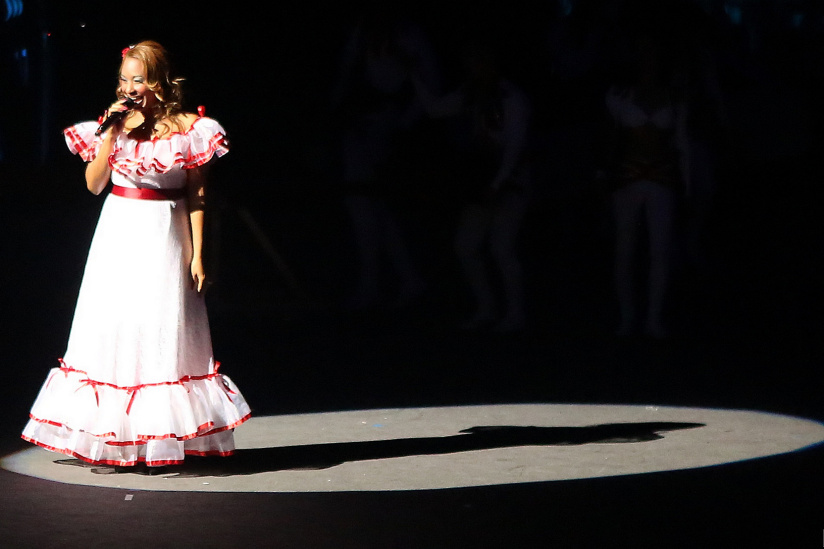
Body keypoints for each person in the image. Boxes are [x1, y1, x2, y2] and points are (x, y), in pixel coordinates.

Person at [21, 41, 251, 470]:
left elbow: (198, 193)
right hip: (118, 231)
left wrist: (199, 254)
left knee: (158, 326)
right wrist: (109, 131)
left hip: (164, 231)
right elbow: (93, 184)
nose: (128, 88)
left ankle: (158, 439)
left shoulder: (189, 128)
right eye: (123, 79)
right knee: (113, 326)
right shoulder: (116, 125)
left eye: (138, 79)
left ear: (160, 81)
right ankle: (113, 439)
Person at [411, 41, 533, 332]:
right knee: (465, 246)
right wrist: (414, 73)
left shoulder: (512, 98)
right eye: (469, 65)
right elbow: (435, 109)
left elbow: (515, 148)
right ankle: (487, 307)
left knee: (501, 247)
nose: (472, 70)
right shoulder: (471, 93)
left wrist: (497, 184)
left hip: (511, 180)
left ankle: (516, 313)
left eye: (477, 64)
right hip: (482, 180)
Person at [604, 32, 690, 339]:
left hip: (661, 179)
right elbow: (611, 138)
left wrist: (688, 183)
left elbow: (681, 142)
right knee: (624, 249)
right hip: (627, 179)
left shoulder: (673, 96)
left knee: (659, 251)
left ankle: (653, 319)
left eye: (653, 54)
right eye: (643, 53)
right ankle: (627, 317)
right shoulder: (617, 95)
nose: (648, 60)